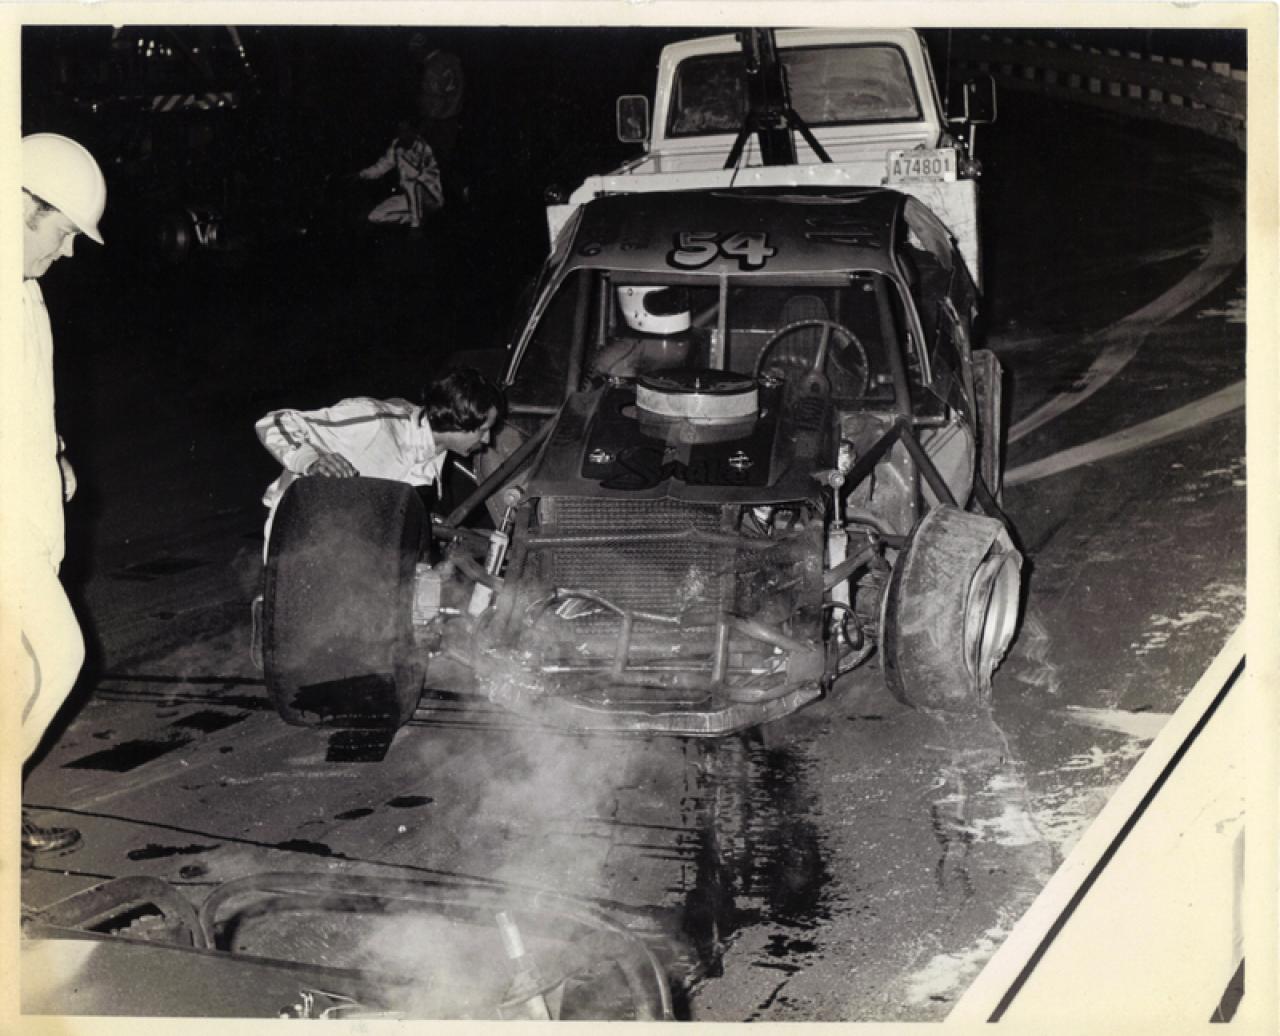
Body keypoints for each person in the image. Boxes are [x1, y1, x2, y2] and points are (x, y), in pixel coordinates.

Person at [6, 133, 107, 861]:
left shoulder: (25, 288)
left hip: (31, 511)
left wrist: (56, 450)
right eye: (63, 232)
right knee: (59, 655)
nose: (68, 251)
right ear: (22, 206)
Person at [255, 367, 503, 548]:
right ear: (457, 422)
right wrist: (310, 460)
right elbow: (276, 422)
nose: (487, 440)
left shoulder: (436, 455)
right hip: (300, 532)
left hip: (355, 541)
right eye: (482, 430)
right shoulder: (376, 421)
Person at [356, 118, 444, 230]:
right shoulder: (397, 145)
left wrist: (415, 225)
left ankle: (417, 222)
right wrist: (362, 174)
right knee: (374, 216)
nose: (403, 135)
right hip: (410, 196)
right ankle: (419, 218)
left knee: (413, 185)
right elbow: (384, 165)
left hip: (429, 196)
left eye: (407, 131)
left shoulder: (422, 148)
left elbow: (414, 183)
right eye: (401, 131)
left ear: (414, 131)